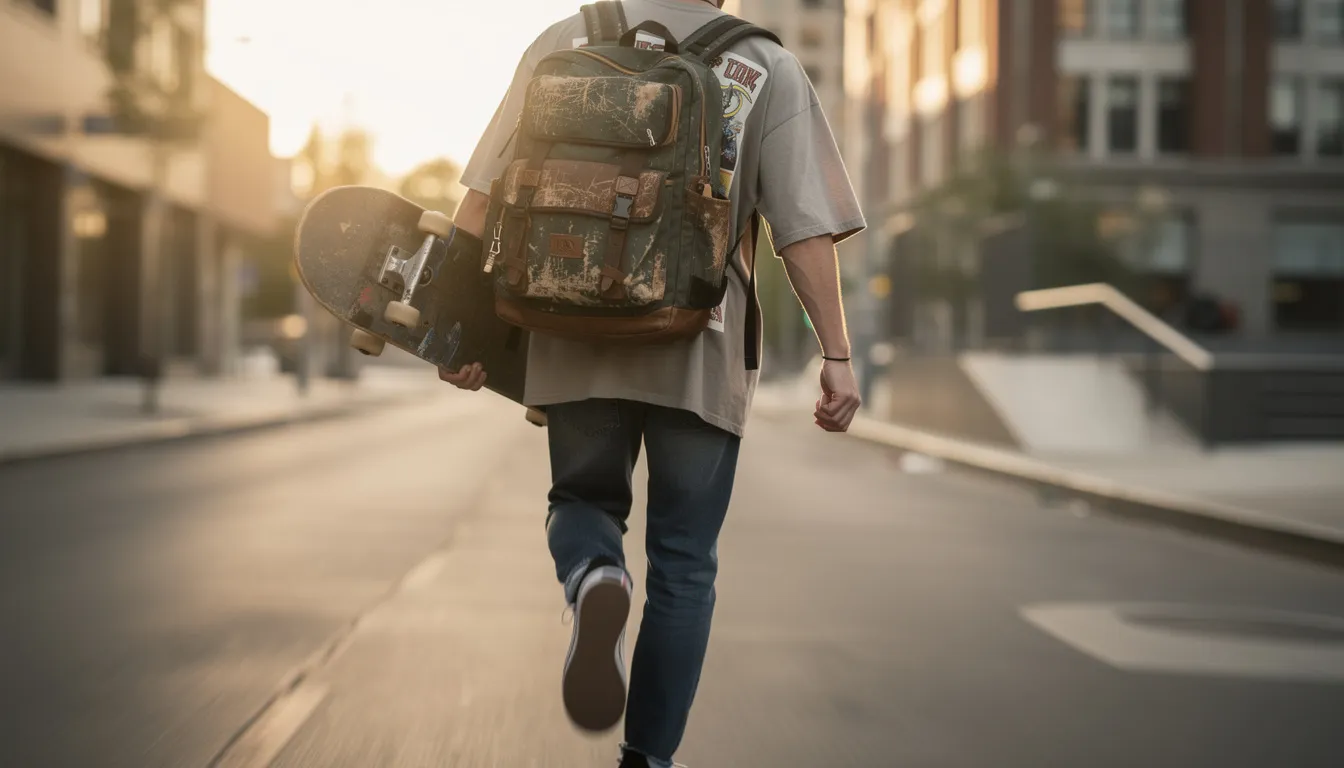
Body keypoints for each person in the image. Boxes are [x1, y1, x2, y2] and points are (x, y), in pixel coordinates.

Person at [441, 1, 865, 765]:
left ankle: (595, 574)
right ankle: (648, 758)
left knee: (580, 502)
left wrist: (462, 329)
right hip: (697, 343)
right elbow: (804, 233)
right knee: (684, 562)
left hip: (569, 330)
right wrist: (836, 354)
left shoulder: (565, 40)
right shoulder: (763, 64)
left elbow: (479, 201)